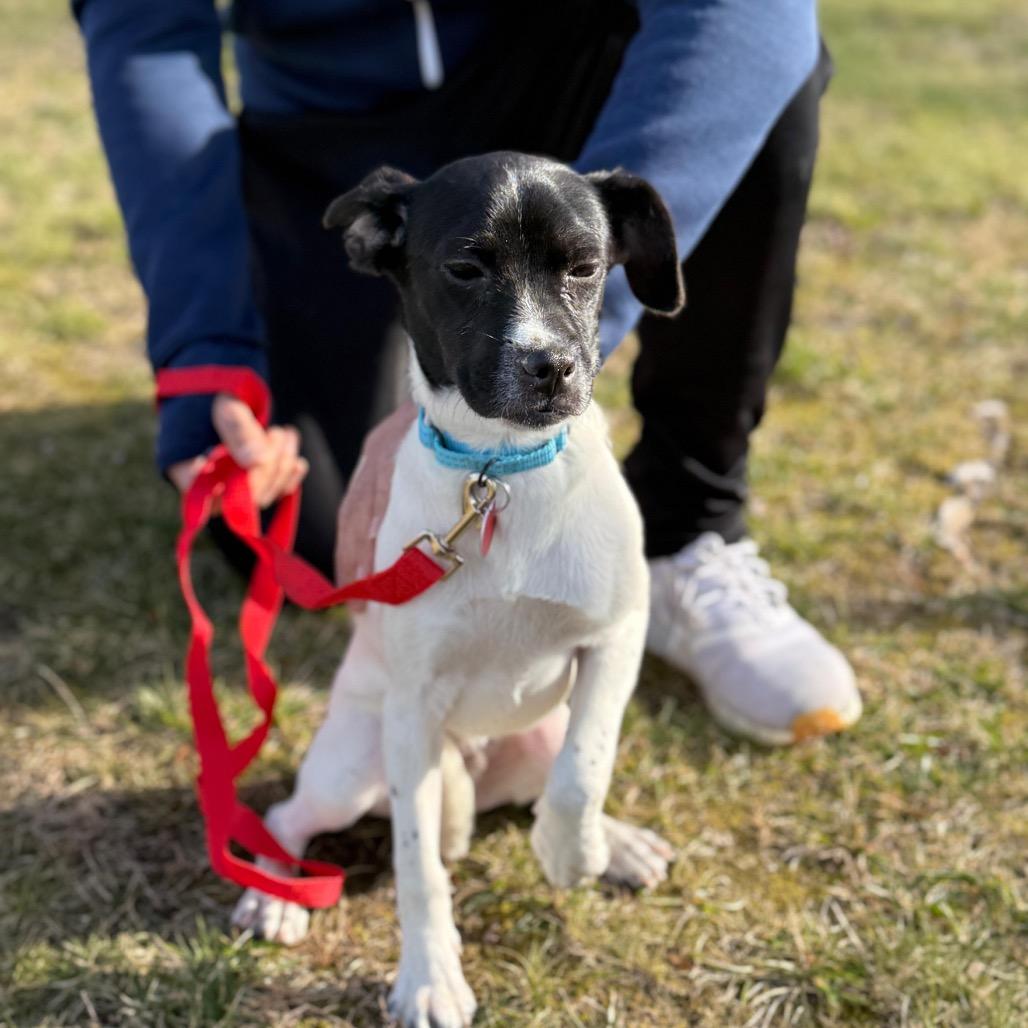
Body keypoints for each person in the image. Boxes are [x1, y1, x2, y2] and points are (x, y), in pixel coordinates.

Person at [75, 0, 861, 746]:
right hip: (327, 129)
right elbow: (145, 28)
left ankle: (685, 523)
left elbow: (748, 16)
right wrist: (204, 349)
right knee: (310, 532)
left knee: (761, 66)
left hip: (552, 87)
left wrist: (560, 327)